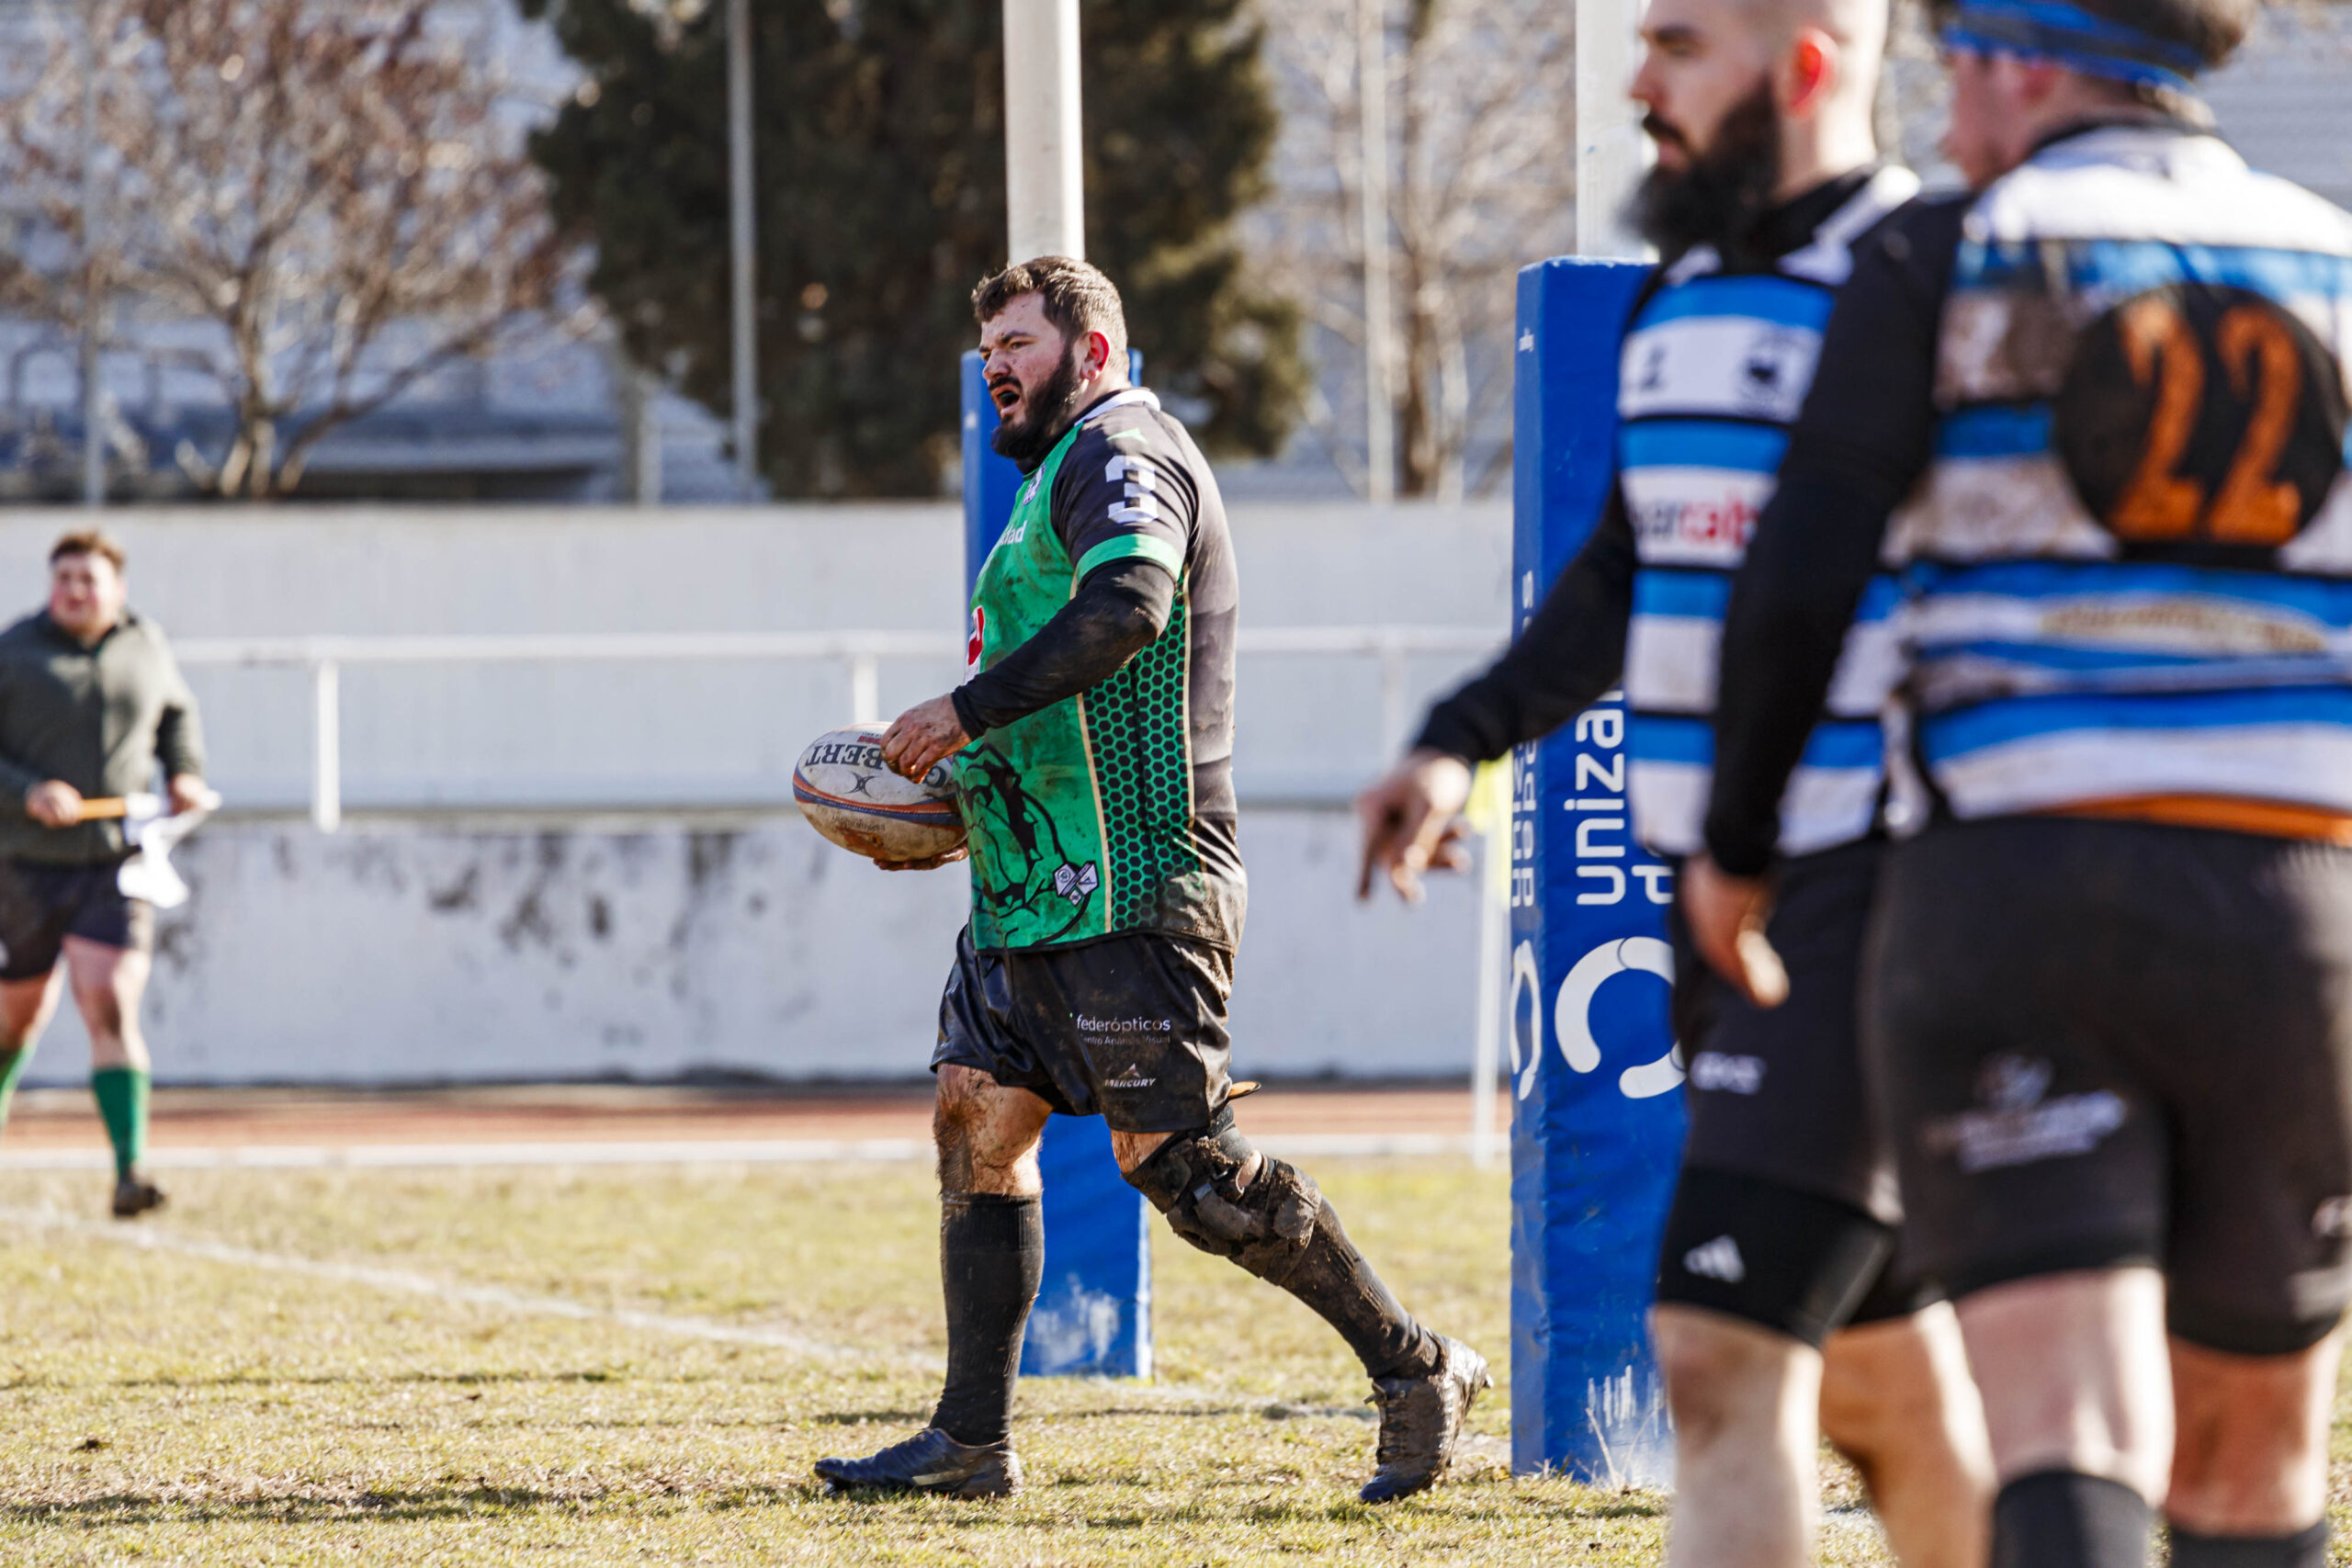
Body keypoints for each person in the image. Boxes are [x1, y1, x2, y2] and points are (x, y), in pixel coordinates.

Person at [1683, 0, 2351, 1561]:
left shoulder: (1947, 249)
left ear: (2024, 63)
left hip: (2018, 889)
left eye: (1955, 76)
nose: (1946, 122)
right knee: (2257, 1462)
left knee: (2069, 1430)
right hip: (2296, 904)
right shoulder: (2334, 258)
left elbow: (1801, 572)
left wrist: (1737, 840)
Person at [1353, 0, 1994, 1560]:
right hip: (1734, 896)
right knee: (1885, 1384)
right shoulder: (1686, 290)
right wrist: (1458, 737)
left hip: (1880, 884)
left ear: (1808, 64)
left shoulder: (1932, 275)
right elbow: (1625, 577)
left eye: (1680, 46)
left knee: (1715, 1348)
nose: (1640, 81)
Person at [813, 257, 1488, 1504]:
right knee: (977, 1111)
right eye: (986, 350)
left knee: (1184, 1165)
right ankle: (970, 1441)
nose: (994, 365)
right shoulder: (1045, 484)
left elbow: (1129, 603)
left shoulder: (1126, 446)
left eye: (1018, 339)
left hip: (1137, 879)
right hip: (1032, 884)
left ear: (1097, 351)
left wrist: (961, 714)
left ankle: (1415, 1367)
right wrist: (975, 791)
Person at [0, 531, 208, 1218]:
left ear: (117, 587)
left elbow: (176, 716)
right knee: (17, 1020)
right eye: (64, 577)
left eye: (88, 579)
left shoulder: (145, 647)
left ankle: (130, 1169)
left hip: (114, 861)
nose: (75, 590)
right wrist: (27, 791)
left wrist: (185, 774)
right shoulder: (16, 650)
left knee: (110, 998)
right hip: (24, 866)